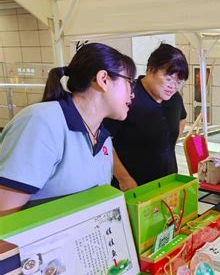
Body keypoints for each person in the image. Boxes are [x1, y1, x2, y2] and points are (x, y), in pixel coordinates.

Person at [0, 43, 136, 216]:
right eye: (129, 82)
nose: (132, 93)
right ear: (103, 79)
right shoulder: (41, 123)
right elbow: (4, 218)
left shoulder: (103, 138)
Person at [105, 43, 189, 190]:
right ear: (150, 70)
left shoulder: (175, 98)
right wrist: (123, 178)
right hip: (134, 184)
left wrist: (168, 142)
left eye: (179, 82)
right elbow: (104, 141)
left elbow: (182, 118)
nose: (173, 86)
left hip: (168, 180)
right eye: (168, 79)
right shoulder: (128, 96)